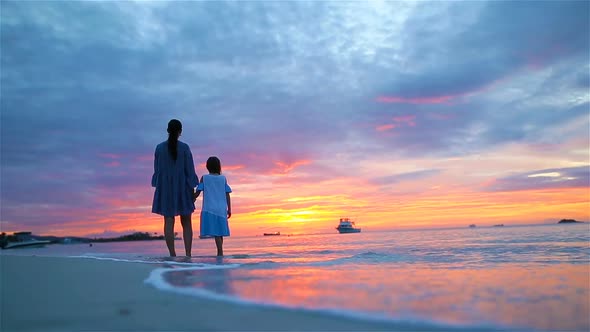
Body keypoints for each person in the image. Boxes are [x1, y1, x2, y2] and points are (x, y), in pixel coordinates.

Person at [151, 119, 198, 257]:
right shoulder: (185, 148)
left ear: (167, 131)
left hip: (165, 189)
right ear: (180, 132)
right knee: (186, 222)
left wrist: (160, 187)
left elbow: (157, 170)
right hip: (182, 187)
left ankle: (172, 255)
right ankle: (188, 255)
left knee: (169, 221)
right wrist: (191, 190)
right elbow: (190, 170)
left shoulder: (159, 148)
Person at [195, 156, 232, 256]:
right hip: (221, 209)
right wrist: (229, 209)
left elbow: (197, 193)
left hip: (209, 208)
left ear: (207, 166)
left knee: (216, 232)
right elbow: (227, 194)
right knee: (219, 232)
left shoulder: (204, 178)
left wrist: (190, 197)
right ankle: (220, 253)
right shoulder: (223, 178)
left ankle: (220, 253)